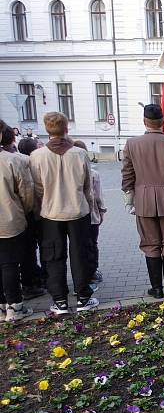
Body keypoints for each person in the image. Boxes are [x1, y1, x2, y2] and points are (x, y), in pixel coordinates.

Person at [30, 112, 98, 315]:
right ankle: (83, 297)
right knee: (80, 254)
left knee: (53, 256)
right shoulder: (79, 154)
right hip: (78, 211)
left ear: (46, 129)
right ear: (66, 128)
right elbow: (87, 187)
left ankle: (59, 301)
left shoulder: (37, 156)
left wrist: (42, 205)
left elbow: (37, 187)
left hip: (51, 212)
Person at [121, 104, 164, 299]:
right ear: (162, 122)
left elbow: (127, 177)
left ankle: (157, 288)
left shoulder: (131, 144)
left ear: (145, 122)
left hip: (144, 201)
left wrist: (128, 200)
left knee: (150, 244)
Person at [0, 124, 42, 299]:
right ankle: (14, 303)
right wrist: (24, 212)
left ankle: (2, 304)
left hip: (10, 217)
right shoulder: (12, 160)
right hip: (9, 219)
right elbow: (26, 192)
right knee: (10, 261)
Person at [74, 140, 106, 288]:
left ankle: (80, 277)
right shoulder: (93, 173)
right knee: (92, 244)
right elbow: (97, 195)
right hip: (91, 214)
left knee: (78, 247)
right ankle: (92, 273)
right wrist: (101, 210)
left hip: (74, 216)